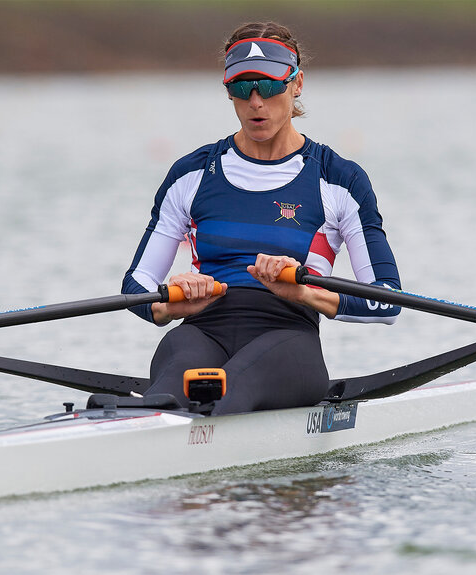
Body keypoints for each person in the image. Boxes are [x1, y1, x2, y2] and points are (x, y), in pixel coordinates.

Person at [122, 22, 401, 415]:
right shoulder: (191, 174)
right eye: (241, 88)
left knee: (225, 391)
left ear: (297, 83)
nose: (255, 102)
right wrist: (170, 305)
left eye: (269, 87)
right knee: (167, 391)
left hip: (287, 338)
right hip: (201, 330)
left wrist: (304, 290)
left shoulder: (339, 179)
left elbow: (387, 300)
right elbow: (136, 285)